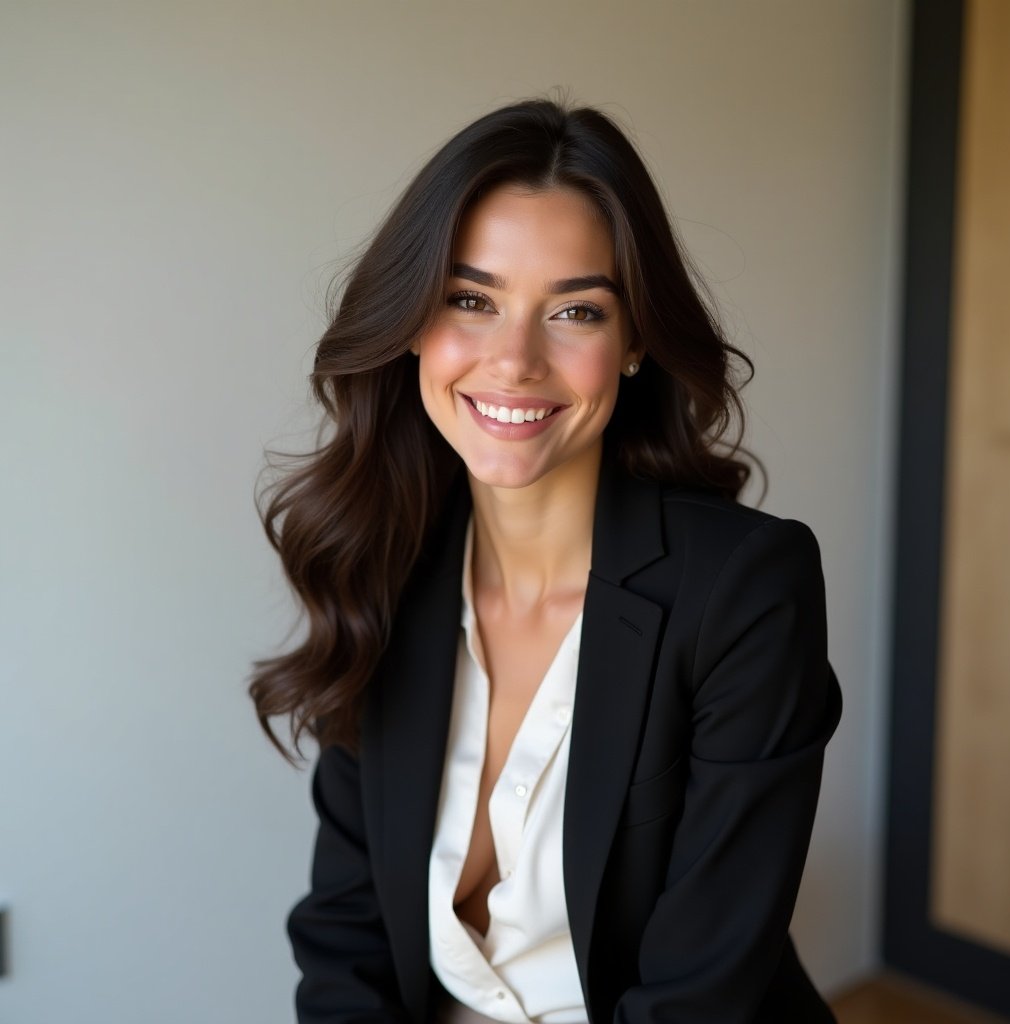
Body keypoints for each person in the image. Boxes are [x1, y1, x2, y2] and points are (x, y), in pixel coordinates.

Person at [250, 98, 842, 1024]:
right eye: (471, 299)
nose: (515, 359)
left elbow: (699, 1000)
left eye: (574, 310)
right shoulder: (381, 566)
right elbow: (344, 940)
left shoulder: (744, 590)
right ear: (413, 322)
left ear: (635, 342)